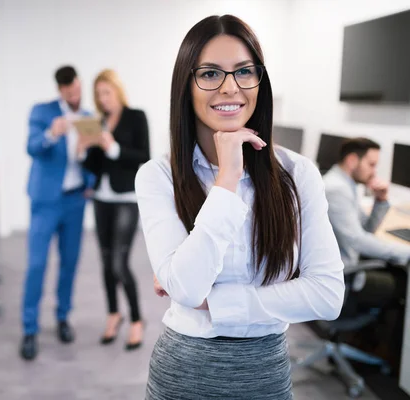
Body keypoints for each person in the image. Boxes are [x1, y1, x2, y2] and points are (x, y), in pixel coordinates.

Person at [135, 15, 345, 399]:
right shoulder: (158, 176)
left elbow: (327, 295)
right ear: (186, 84)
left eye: (244, 71)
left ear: (259, 83)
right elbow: (185, 287)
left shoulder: (298, 174)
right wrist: (228, 177)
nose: (230, 87)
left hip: (266, 374)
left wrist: (214, 302)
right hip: (184, 376)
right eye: (211, 74)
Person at [21, 66, 95, 360]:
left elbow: (92, 161)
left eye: (77, 90)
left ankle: (63, 316)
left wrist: (89, 178)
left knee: (70, 263)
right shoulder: (42, 112)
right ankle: (29, 329)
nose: (74, 95)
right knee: (37, 265)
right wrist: (52, 133)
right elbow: (31, 147)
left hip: (75, 201)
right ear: (60, 90)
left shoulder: (88, 118)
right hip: (46, 201)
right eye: (68, 92)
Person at [323, 138, 409, 368]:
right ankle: (388, 355)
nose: (374, 172)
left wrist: (381, 201)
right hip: (342, 278)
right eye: (371, 164)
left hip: (343, 266)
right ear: (353, 160)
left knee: (392, 267)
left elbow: (364, 229)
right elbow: (358, 240)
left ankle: (363, 341)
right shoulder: (337, 189)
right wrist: (406, 252)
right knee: (402, 283)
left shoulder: (345, 185)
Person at [79, 69, 150, 350]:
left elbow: (143, 155)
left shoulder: (136, 116)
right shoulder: (96, 122)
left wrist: (114, 148)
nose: (103, 99)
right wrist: (85, 150)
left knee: (120, 261)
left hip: (126, 197)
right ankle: (113, 314)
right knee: (105, 260)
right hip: (101, 196)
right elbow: (94, 166)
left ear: (117, 91)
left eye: (106, 92)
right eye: (98, 94)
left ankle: (136, 319)